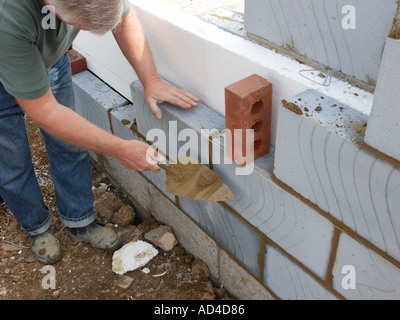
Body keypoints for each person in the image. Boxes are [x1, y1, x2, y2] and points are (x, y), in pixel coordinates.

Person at [0, 0, 199, 264]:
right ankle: (36, 227)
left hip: (48, 58)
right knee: (11, 159)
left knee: (69, 143)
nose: (79, 31)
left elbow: (124, 19)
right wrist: (119, 148)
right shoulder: (9, 15)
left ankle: (79, 220)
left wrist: (151, 80)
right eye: (79, 26)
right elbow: (44, 111)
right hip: (5, 61)